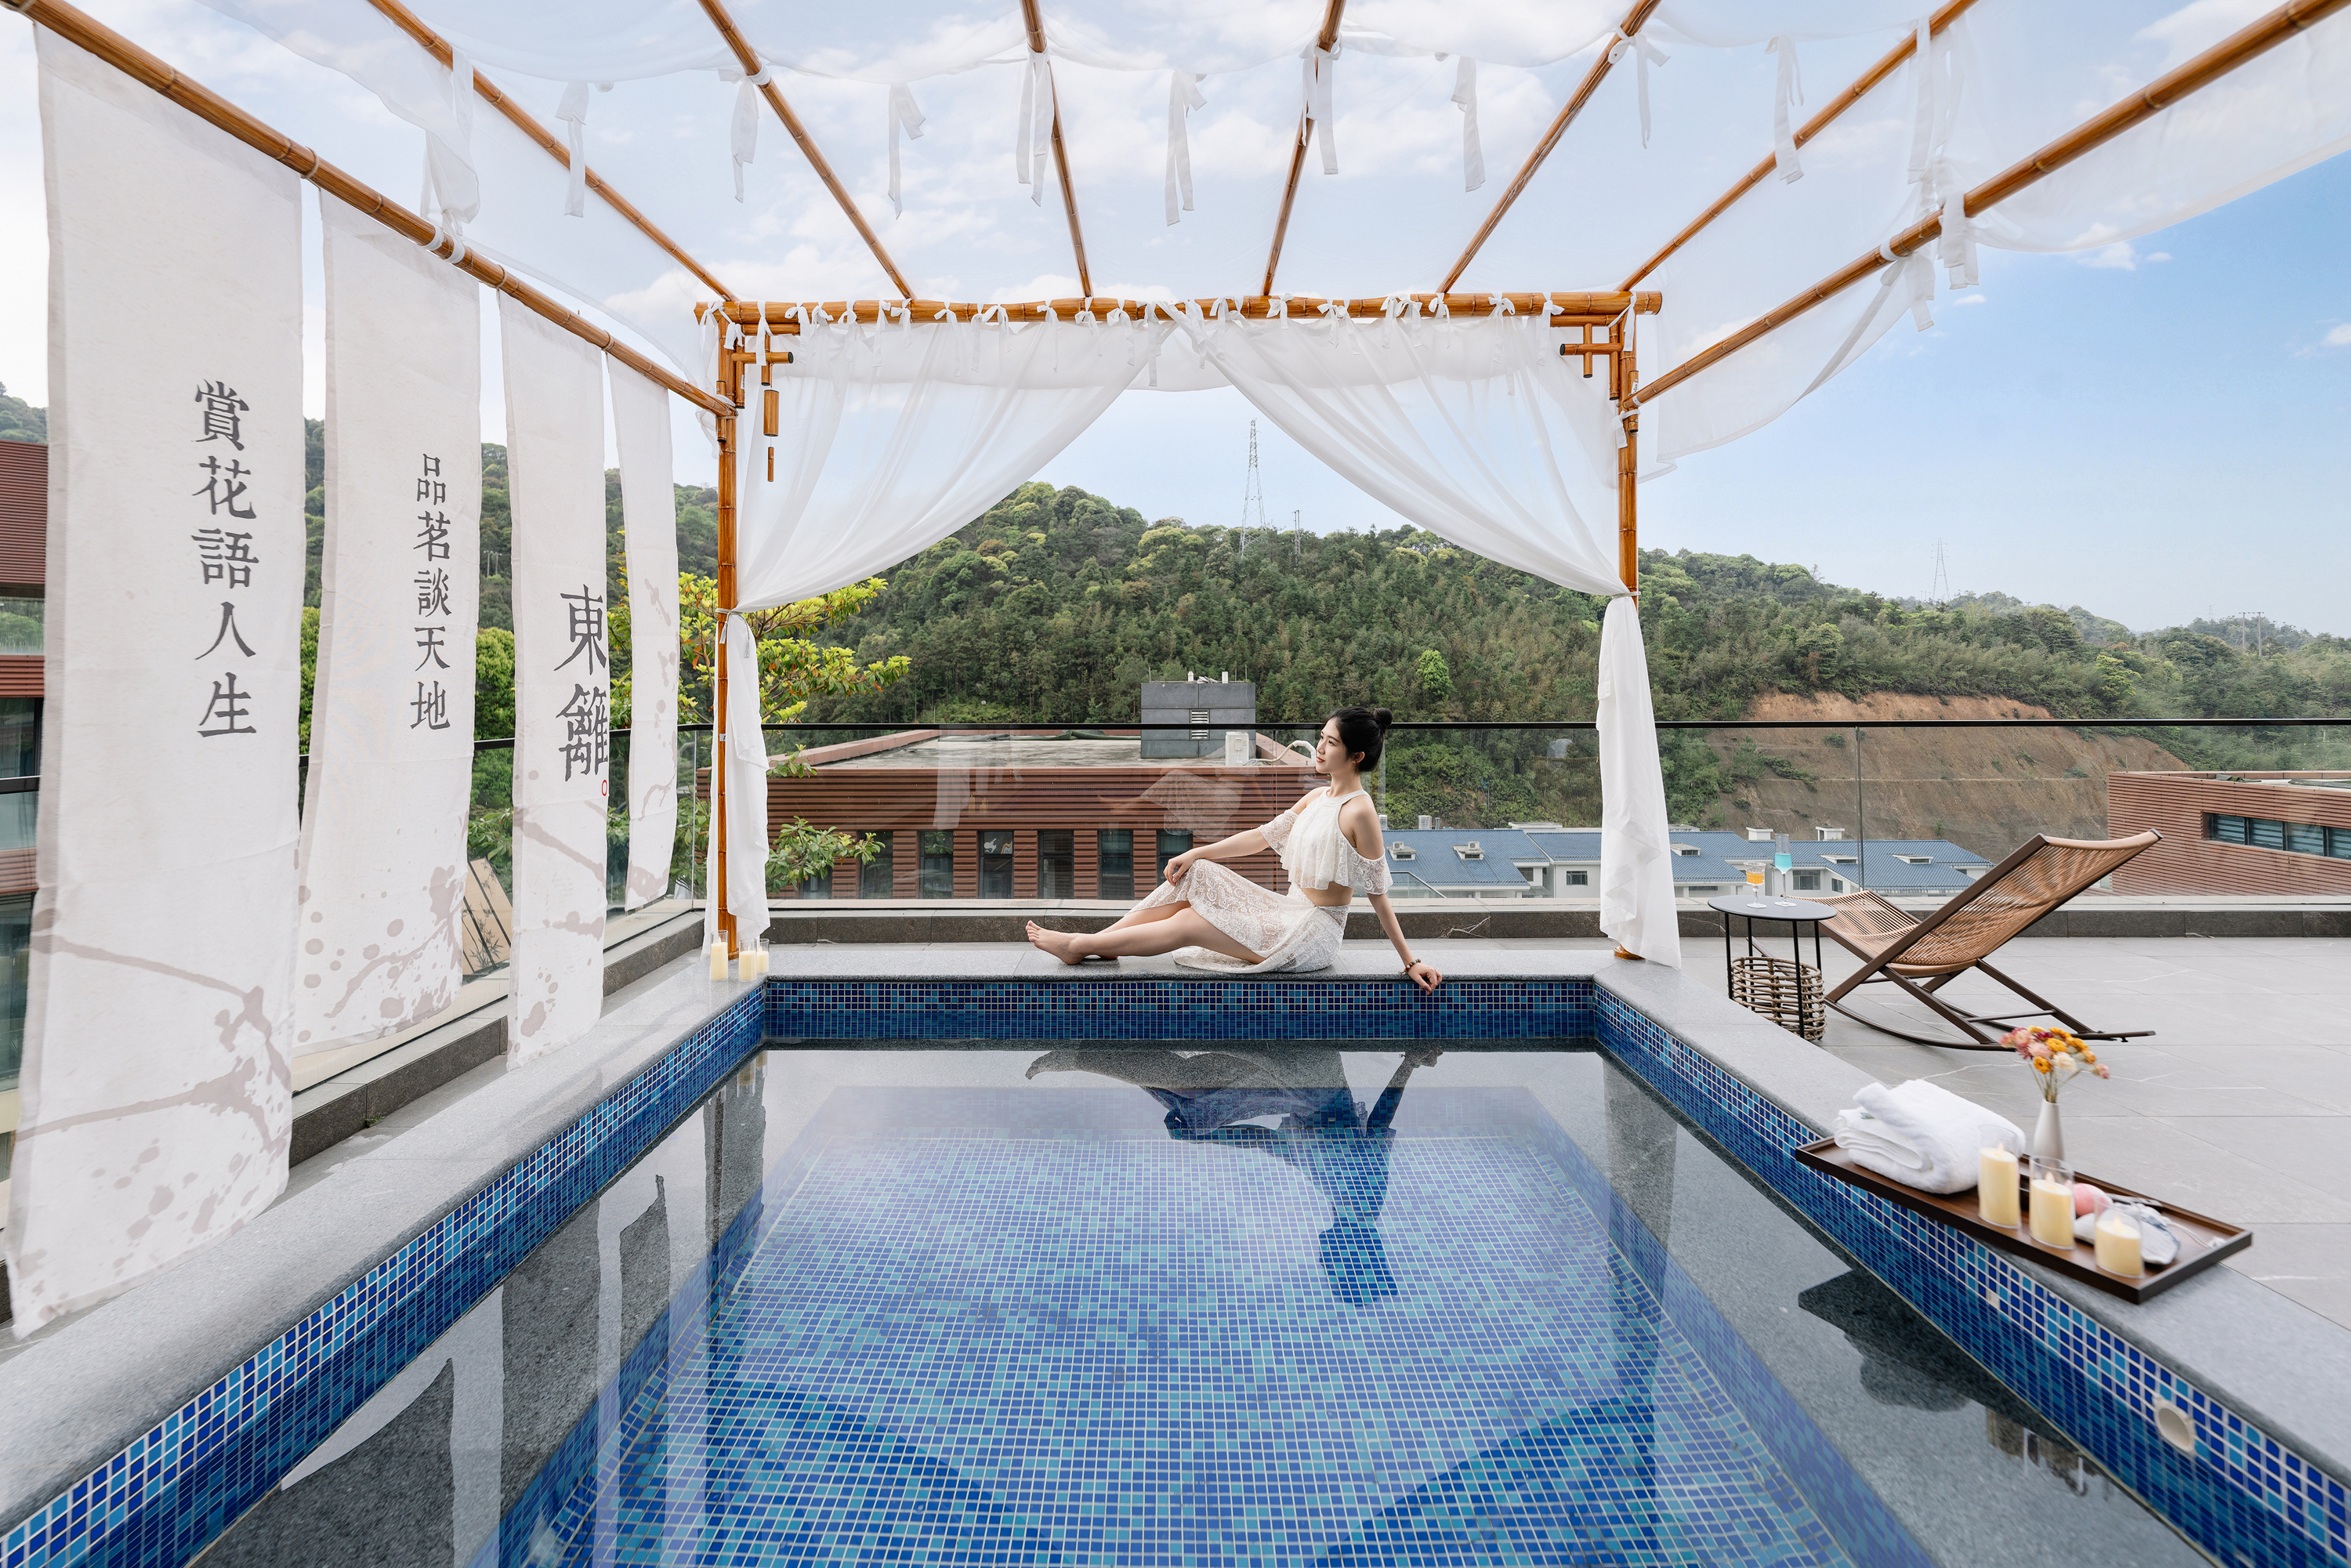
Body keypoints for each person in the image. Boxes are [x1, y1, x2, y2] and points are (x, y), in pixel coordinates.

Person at [1025, 706, 1443, 993]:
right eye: (1321, 737)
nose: (1319, 748)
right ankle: (1100, 942)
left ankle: (1079, 945)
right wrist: (1197, 853)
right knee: (1198, 873)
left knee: (1189, 921)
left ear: (1356, 756)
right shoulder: (1318, 797)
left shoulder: (1360, 811)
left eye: (1330, 743)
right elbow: (1261, 836)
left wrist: (1410, 963)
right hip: (1287, 910)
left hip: (1312, 932)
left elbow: (1378, 894)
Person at [1023, 1045, 1444, 1305]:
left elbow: (1265, 1142)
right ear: (1353, 1254)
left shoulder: (1340, 1195)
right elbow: (1380, 1122)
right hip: (1307, 1080)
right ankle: (1080, 1055)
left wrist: (1205, 1139)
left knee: (1196, 1108)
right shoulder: (1363, 1201)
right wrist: (1409, 1064)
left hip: (1302, 1086)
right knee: (1193, 1096)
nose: (1323, 1258)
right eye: (1334, 1264)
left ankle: (1095, 1053)